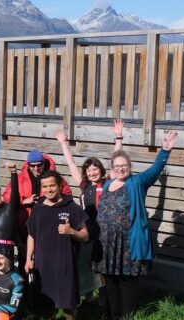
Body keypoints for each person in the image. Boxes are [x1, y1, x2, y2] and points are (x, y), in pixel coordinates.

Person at [96, 131, 178, 319]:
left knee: (127, 282)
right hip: (107, 244)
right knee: (110, 280)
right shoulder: (108, 184)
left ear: (130, 167)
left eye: (124, 166)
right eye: (117, 166)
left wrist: (165, 149)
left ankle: (128, 316)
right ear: (112, 168)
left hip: (128, 243)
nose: (120, 169)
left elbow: (155, 169)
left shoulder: (137, 182)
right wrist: (118, 140)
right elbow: (115, 158)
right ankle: (113, 315)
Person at [56, 123, 123, 297]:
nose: (92, 172)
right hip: (87, 228)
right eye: (89, 170)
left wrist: (119, 138)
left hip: (105, 229)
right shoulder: (84, 185)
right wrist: (63, 142)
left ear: (101, 170)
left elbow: (116, 160)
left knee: (102, 261)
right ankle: (87, 292)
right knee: (85, 261)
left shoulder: (108, 183)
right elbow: (70, 163)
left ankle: (105, 295)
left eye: (95, 169)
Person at [25, 171, 89, 319]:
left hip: (66, 264)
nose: (48, 190)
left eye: (52, 185)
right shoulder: (37, 209)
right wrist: (29, 258)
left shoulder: (72, 207)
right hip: (43, 265)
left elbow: (85, 236)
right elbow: (31, 235)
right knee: (47, 306)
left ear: (60, 186)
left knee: (68, 304)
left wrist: (72, 231)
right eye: (45, 187)